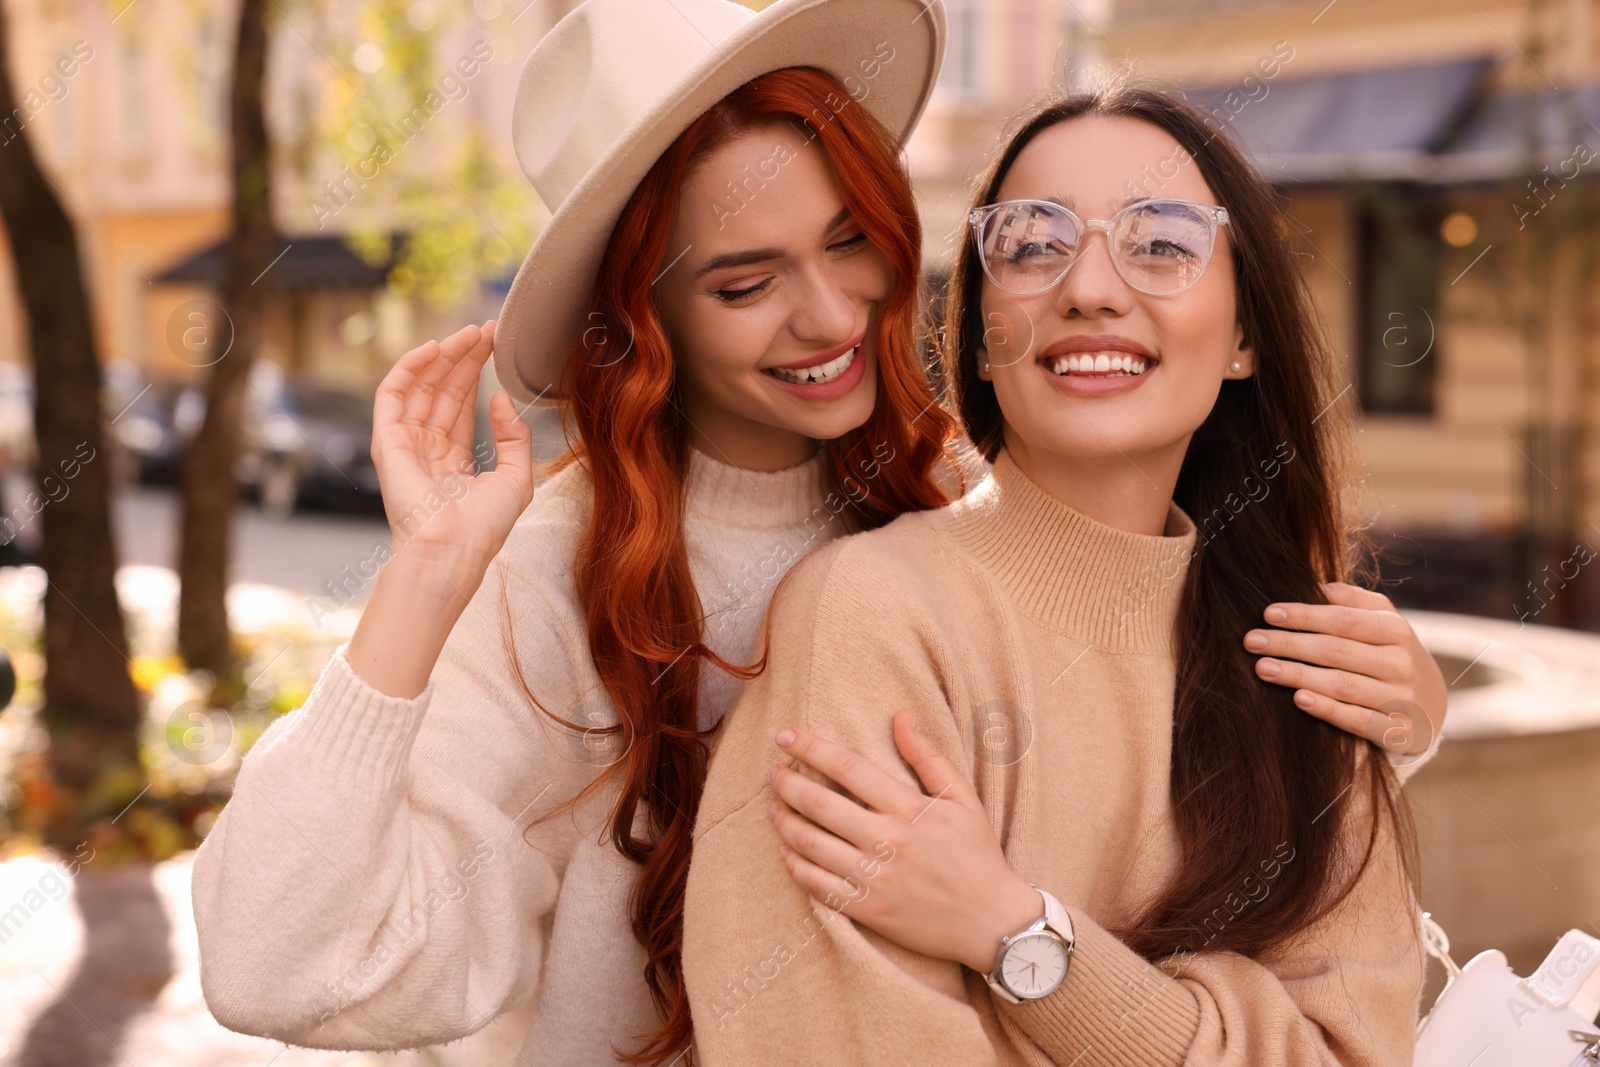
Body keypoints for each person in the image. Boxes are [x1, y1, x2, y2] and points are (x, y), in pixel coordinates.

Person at [190, 2, 955, 1065]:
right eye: (746, 282)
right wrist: (427, 575)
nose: (829, 315)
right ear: (646, 316)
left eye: (849, 241)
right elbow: (275, 961)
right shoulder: (558, 570)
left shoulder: (964, 502)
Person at [682, 82, 1438, 1066]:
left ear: (1245, 334)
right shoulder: (874, 615)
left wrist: (1017, 934)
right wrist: (1216, 1025)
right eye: (1032, 243)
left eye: (1161, 242)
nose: (1087, 287)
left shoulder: (1317, 662)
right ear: (986, 334)